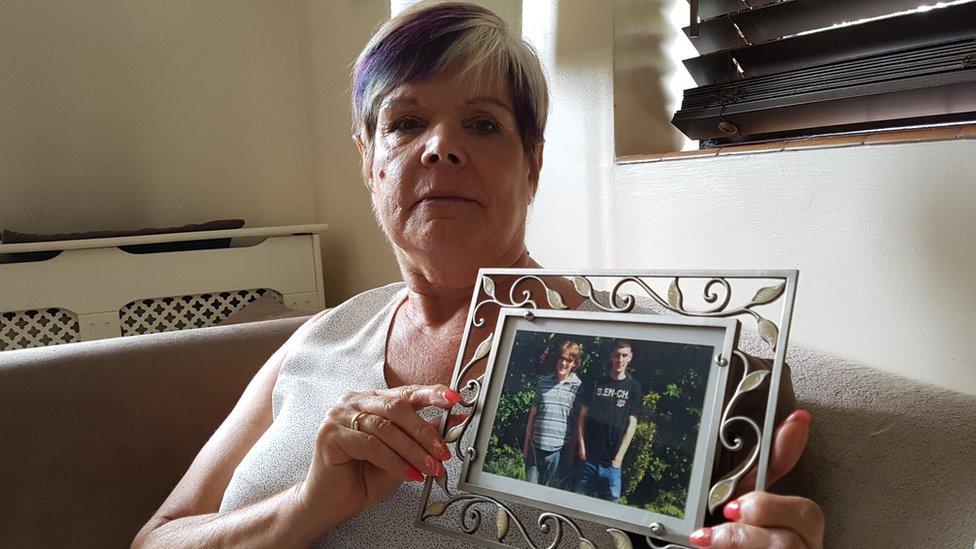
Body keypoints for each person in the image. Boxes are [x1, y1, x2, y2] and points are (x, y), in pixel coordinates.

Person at [132, 3, 825, 548]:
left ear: (533, 163)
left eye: (483, 125)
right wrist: (306, 505)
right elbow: (156, 538)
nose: (441, 147)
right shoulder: (320, 338)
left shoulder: (641, 361)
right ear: (369, 163)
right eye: (405, 122)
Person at [574, 340, 641, 502]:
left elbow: (632, 425)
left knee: (611, 510)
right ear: (611, 357)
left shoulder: (634, 388)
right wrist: (582, 449)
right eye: (617, 355)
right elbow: (581, 418)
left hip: (613, 465)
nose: (620, 359)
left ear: (630, 357)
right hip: (589, 460)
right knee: (578, 506)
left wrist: (619, 458)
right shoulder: (597, 383)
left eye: (624, 355)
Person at [522, 340, 583, 487]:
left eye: (569, 360)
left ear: (574, 363)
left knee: (548, 495)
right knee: (530, 492)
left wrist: (570, 454)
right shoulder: (543, 383)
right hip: (534, 450)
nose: (564, 363)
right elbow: (532, 417)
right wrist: (526, 446)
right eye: (562, 358)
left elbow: (577, 425)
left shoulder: (578, 387)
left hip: (557, 453)